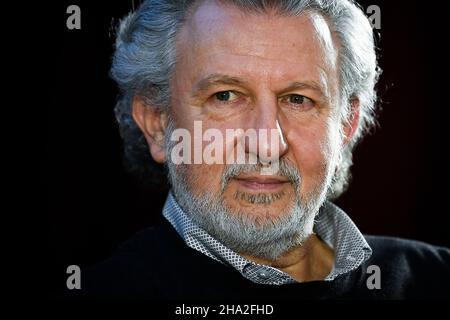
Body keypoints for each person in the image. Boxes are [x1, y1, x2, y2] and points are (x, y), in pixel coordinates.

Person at [81, 0, 450, 299]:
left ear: (345, 125)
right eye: (224, 96)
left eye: (298, 99)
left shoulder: (435, 279)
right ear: (158, 123)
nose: (266, 143)